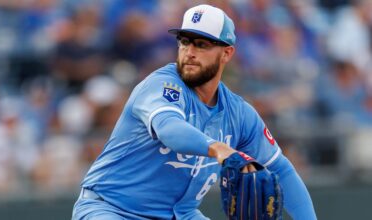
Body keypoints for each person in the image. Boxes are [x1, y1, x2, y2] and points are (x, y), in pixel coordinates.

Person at [72, 4, 317, 220]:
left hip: (180, 214)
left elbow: (281, 170)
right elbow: (170, 128)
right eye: (185, 42)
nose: (189, 52)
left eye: (201, 45)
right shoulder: (161, 85)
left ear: (227, 53)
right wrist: (218, 148)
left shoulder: (239, 114)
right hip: (113, 209)